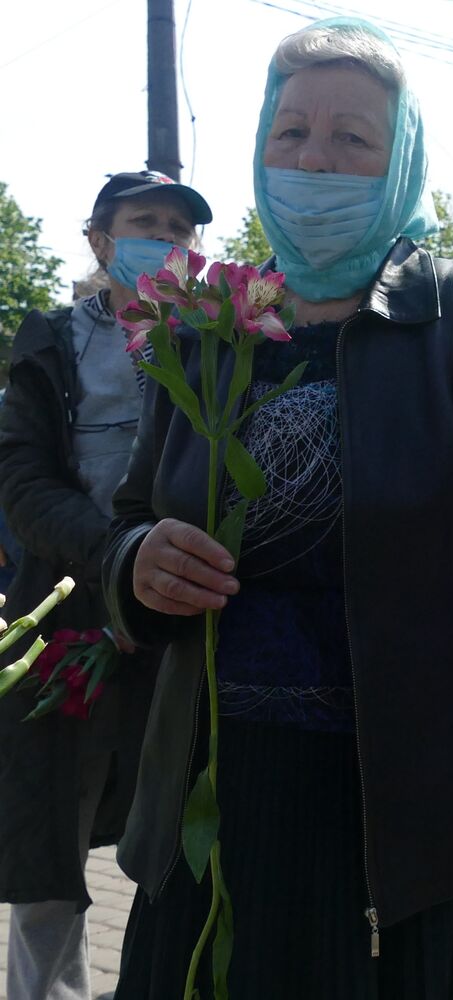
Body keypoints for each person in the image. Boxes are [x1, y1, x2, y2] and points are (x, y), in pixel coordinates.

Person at [103, 20, 453, 998]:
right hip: (219, 798)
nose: (314, 159)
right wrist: (138, 564)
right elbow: (126, 520)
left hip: (414, 808)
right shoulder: (208, 323)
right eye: (290, 133)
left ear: (401, 155)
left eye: (350, 138)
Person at [0, 169, 210, 1000]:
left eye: (179, 228)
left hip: (186, 619)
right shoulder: (52, 340)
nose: (163, 238)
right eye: (143, 222)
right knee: (48, 847)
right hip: (66, 621)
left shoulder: (220, 342)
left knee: (179, 840)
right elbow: (22, 477)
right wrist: (118, 563)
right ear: (99, 241)